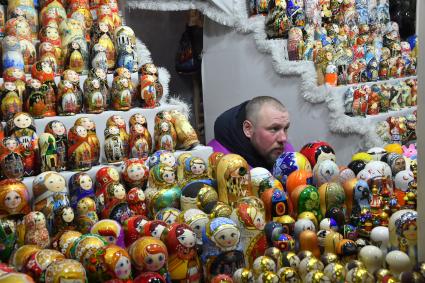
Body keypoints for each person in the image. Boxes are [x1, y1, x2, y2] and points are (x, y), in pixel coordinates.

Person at [208, 96, 294, 170]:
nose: (283, 138)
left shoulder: (285, 152)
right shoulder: (218, 163)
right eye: (274, 129)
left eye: (285, 128)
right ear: (248, 129)